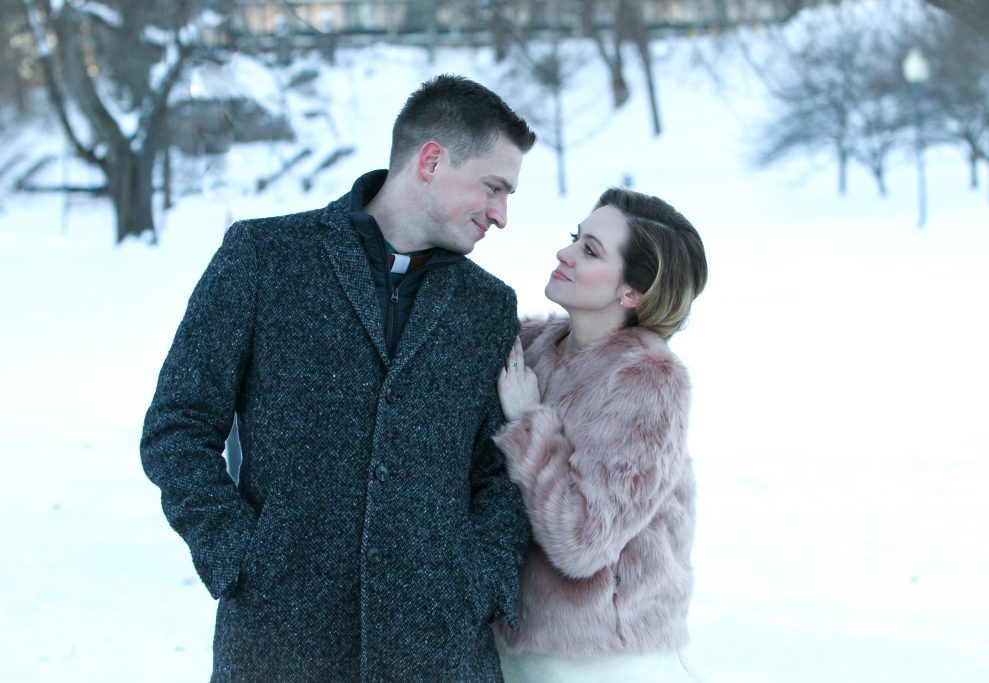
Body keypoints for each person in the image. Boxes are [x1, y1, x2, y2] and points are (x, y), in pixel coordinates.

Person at [140, 74, 536, 683]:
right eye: (494, 188)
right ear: (431, 160)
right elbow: (178, 426)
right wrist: (237, 555)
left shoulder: (487, 306)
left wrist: (480, 581)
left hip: (439, 652)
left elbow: (495, 473)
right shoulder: (264, 258)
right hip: (279, 643)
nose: (501, 215)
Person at [493, 188, 707, 682]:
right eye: (575, 237)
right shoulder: (531, 345)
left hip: (604, 659)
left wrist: (529, 422)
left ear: (631, 293)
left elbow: (584, 543)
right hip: (520, 648)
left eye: (589, 250)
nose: (564, 253)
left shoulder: (647, 380)